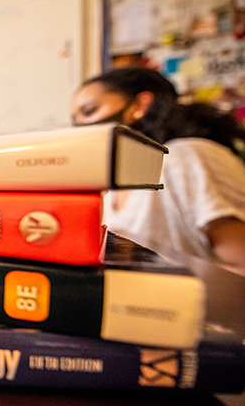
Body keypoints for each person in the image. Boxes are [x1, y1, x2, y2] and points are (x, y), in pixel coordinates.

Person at [70, 66, 245, 277]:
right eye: (75, 121)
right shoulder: (113, 181)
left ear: (140, 104)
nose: (81, 125)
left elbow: (240, 266)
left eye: (89, 111)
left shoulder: (188, 156)